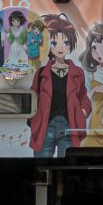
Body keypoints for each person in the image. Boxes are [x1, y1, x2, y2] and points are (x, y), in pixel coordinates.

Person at [29, 12, 88, 156]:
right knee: (41, 164)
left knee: (68, 164)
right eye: (55, 43)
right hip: (45, 126)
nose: (60, 47)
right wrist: (34, 120)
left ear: (70, 44)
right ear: (48, 45)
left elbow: (84, 98)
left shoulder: (77, 72)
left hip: (70, 126)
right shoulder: (41, 73)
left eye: (65, 42)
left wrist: (83, 112)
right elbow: (32, 97)